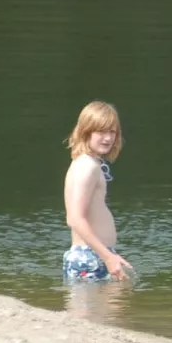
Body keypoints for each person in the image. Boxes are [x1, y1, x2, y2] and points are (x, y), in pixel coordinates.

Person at [63, 100, 134, 281]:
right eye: (101, 131)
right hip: (90, 256)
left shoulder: (87, 163)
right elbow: (75, 218)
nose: (108, 138)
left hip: (93, 254)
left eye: (112, 132)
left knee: (106, 309)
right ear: (86, 132)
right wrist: (108, 256)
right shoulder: (87, 166)